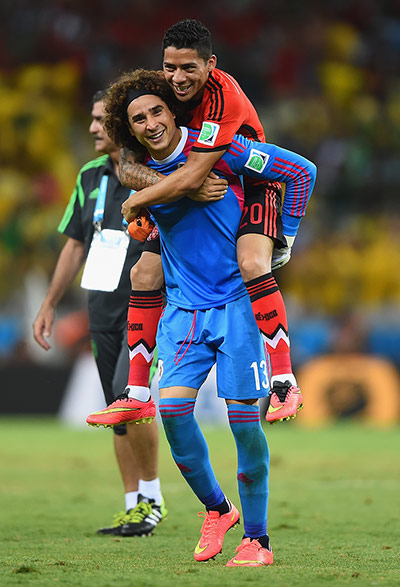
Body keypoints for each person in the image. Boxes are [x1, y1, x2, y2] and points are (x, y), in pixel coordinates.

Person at [86, 70, 316, 566]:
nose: (149, 124)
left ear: (174, 112)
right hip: (186, 312)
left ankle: (257, 540)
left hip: (236, 307)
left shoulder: (220, 152)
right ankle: (218, 509)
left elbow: (298, 171)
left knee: (244, 428)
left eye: (156, 112)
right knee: (172, 414)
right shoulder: (142, 168)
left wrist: (281, 238)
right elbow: (147, 238)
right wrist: (146, 212)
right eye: (137, 119)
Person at [102, 19, 306, 426]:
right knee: (143, 272)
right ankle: (137, 393)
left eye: (188, 69)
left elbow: (199, 176)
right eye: (169, 67)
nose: (177, 78)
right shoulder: (164, 99)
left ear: (210, 64)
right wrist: (160, 190)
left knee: (251, 263)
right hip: (198, 194)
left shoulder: (221, 100)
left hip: (250, 184)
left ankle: (284, 381)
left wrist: (287, 236)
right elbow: (126, 161)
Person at [32, 90, 168, 538]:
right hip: (102, 305)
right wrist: (50, 303)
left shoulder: (156, 170)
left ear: (118, 125)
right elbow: (75, 242)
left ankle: (152, 498)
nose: (91, 128)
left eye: (98, 120)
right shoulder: (90, 176)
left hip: (148, 305)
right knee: (116, 406)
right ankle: (133, 506)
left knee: (130, 400)